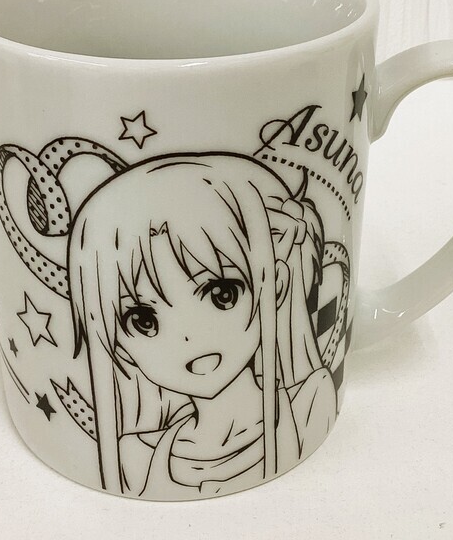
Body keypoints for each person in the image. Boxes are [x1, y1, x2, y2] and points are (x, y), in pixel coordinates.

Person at [67, 152, 338, 499]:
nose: (188, 338)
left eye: (222, 294)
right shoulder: (135, 457)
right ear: (120, 346)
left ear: (276, 286)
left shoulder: (307, 406)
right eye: (144, 321)